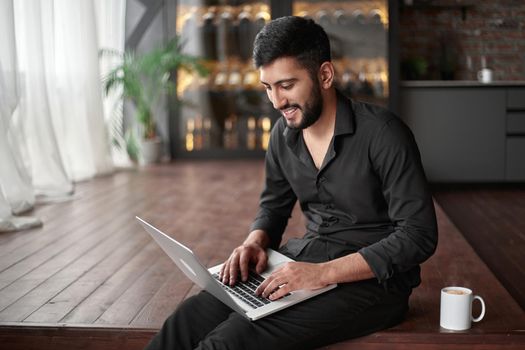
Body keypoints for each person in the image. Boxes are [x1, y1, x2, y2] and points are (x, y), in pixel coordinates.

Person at [146, 16, 438, 350]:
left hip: (373, 286)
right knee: (185, 321)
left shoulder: (384, 134)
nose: (276, 101)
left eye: (286, 85)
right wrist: (254, 242)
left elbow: (419, 235)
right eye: (268, 88)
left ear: (324, 75)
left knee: (230, 340)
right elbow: (273, 206)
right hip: (304, 262)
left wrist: (322, 274)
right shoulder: (282, 136)